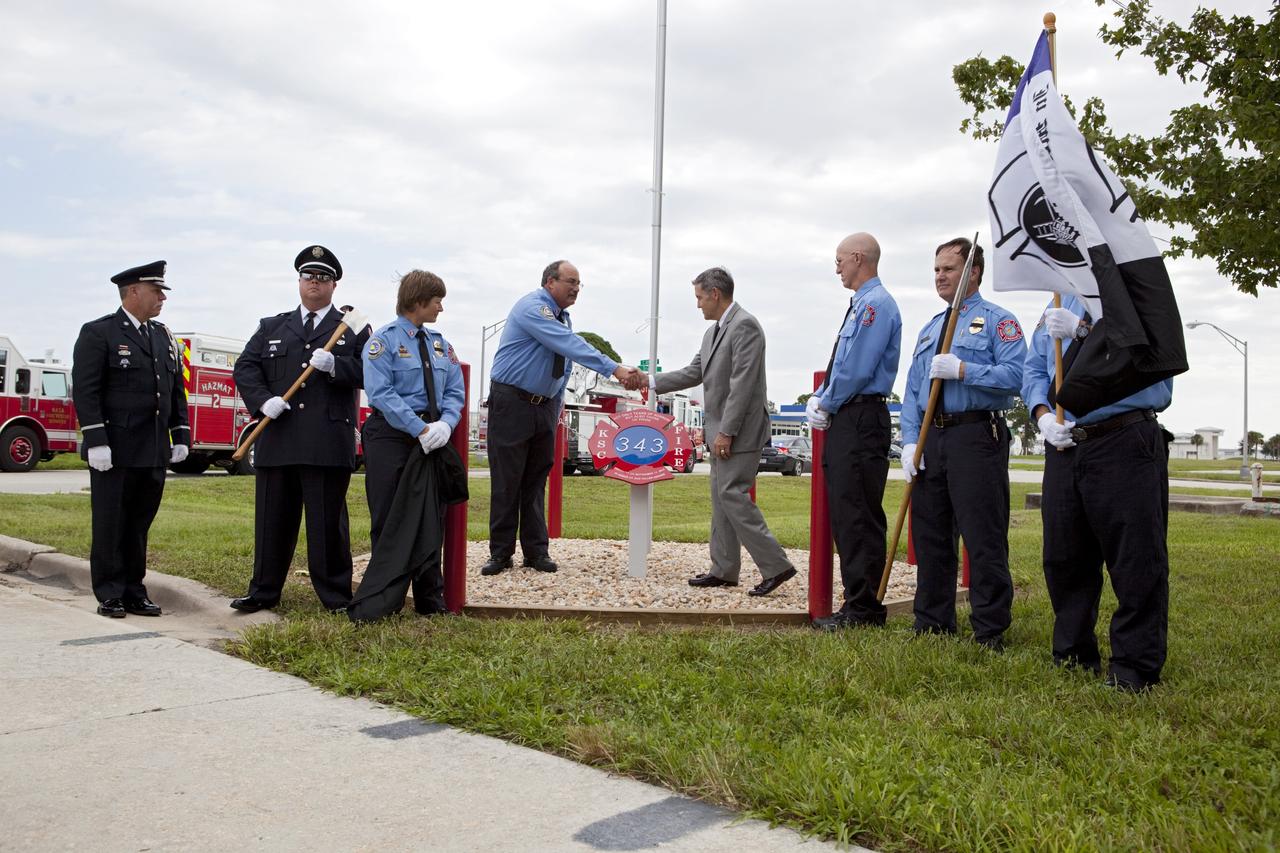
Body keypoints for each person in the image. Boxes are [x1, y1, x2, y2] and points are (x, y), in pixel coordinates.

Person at [1025, 295, 1174, 691]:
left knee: (1135, 557)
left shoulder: (1133, 288)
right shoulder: (1056, 297)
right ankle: (1073, 654)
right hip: (1065, 442)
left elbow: (1151, 357)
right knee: (1064, 556)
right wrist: (1041, 414)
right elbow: (1033, 370)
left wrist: (1085, 332)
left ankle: (1134, 666)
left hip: (1123, 435)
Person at [898, 238, 1025, 649]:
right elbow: (914, 390)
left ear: (973, 273)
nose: (940, 276)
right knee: (931, 533)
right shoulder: (931, 328)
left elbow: (1017, 377)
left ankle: (989, 628)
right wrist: (909, 443)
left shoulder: (997, 321)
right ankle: (932, 621)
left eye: (949, 269)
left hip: (975, 435)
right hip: (932, 438)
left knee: (982, 535)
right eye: (936, 269)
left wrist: (964, 369)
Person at [229, 245, 370, 613]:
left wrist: (336, 366)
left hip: (326, 441)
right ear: (299, 281)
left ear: (334, 285)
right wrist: (262, 401)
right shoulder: (272, 326)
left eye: (322, 278)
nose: (314, 284)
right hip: (279, 438)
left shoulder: (352, 328)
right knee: (272, 522)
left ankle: (336, 596)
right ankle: (263, 591)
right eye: (308, 277)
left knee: (327, 527)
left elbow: (373, 374)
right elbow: (245, 368)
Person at [481, 260, 640, 576]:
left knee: (536, 480)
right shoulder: (534, 309)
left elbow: (563, 362)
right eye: (571, 281)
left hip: (544, 406)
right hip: (513, 402)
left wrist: (557, 403)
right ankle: (500, 554)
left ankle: (536, 552)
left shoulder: (562, 317)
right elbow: (568, 345)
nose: (576, 288)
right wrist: (616, 369)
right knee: (507, 481)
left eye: (580, 283)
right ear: (550, 281)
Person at [653, 267, 797, 596]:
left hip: (739, 433)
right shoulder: (713, 332)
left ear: (715, 294)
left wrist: (726, 432)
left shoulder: (745, 326)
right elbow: (693, 372)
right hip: (722, 430)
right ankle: (724, 569)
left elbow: (742, 385)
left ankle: (776, 566)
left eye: (700, 297)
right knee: (721, 500)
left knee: (732, 495)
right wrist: (648, 382)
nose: (698, 305)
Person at [71, 260, 190, 617]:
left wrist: (179, 433)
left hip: (152, 449)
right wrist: (96, 440)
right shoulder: (99, 333)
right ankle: (109, 592)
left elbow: (174, 389)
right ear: (134, 291)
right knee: (110, 522)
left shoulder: (163, 335)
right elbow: (87, 392)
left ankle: (134, 590)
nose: (162, 299)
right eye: (157, 292)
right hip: (115, 449)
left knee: (139, 523)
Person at [806, 233, 902, 629]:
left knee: (858, 513)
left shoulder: (875, 306)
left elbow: (857, 367)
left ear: (858, 258)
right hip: (851, 416)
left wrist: (826, 401)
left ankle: (863, 609)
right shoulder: (862, 305)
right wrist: (823, 396)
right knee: (847, 511)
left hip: (861, 417)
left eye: (840, 260)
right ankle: (856, 603)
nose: (837, 267)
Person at [356, 270, 465, 615]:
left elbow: (454, 390)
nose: (441, 308)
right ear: (418, 301)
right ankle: (385, 600)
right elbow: (381, 393)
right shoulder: (383, 342)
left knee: (431, 520)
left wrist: (446, 425)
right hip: (392, 436)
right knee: (389, 518)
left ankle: (430, 601)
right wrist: (419, 428)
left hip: (431, 439)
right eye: (437, 301)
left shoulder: (440, 344)